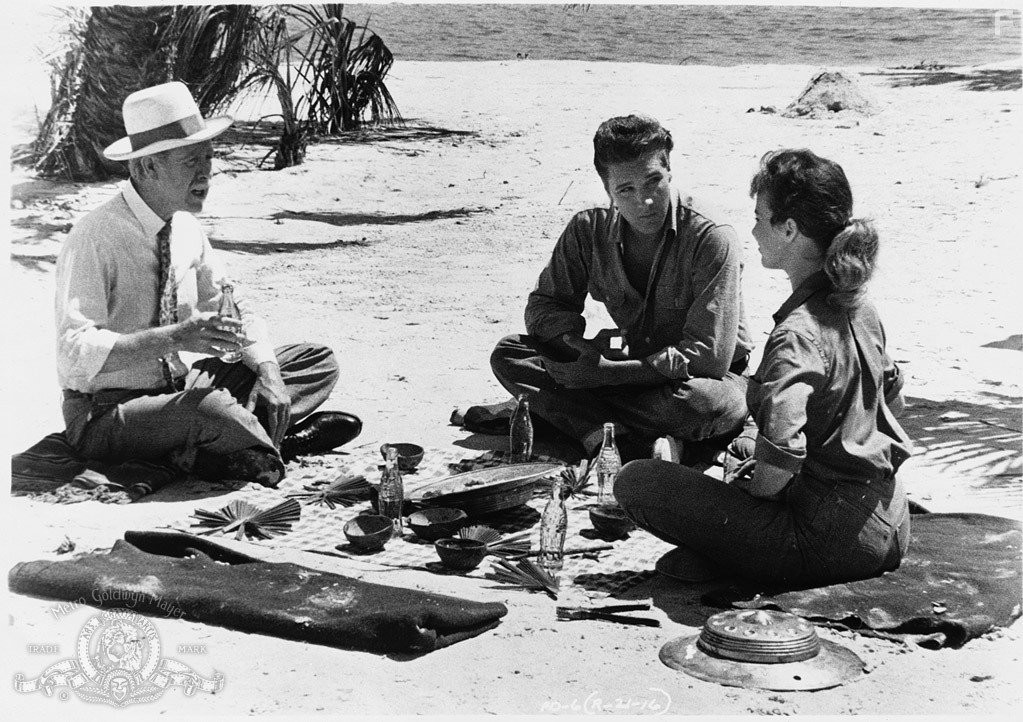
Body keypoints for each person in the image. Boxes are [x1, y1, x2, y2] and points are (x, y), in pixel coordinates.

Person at [615, 148, 912, 587]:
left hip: (831, 544)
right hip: (890, 521)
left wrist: (748, 498)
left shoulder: (796, 333)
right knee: (742, 450)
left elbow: (780, 462)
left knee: (637, 483)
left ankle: (740, 558)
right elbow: (894, 402)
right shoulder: (858, 305)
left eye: (760, 217)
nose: (753, 229)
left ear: (789, 229)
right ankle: (733, 553)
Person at [55, 81, 362, 489]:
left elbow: (232, 303)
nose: (206, 172)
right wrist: (175, 337)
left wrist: (268, 371)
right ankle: (267, 445)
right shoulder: (95, 236)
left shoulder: (185, 227)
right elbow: (73, 354)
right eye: (190, 161)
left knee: (315, 360)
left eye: (209, 156)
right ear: (146, 167)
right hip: (106, 415)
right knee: (210, 409)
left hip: (178, 392)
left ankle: (234, 443)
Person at [489, 114, 752, 460]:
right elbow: (544, 307)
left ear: (670, 172)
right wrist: (578, 347)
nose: (643, 201)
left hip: (696, 380)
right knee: (510, 354)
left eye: (653, 181)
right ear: (607, 190)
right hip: (631, 367)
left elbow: (709, 358)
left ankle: (592, 425)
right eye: (626, 190)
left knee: (702, 405)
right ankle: (630, 438)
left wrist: (604, 375)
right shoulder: (588, 228)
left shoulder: (712, 237)